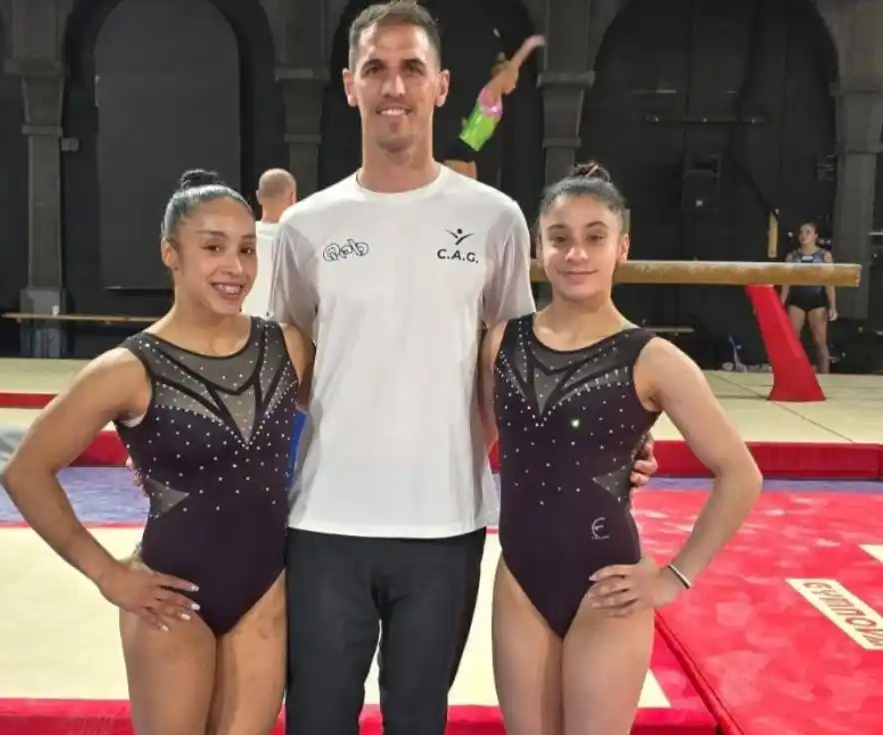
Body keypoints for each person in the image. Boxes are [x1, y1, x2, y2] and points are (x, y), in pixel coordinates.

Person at [267, 4, 659, 735]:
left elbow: (516, 362)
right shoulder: (306, 226)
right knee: (318, 717)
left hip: (445, 520)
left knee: (419, 717)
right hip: (323, 519)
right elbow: (280, 364)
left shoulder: (495, 219)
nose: (394, 86)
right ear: (350, 84)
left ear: (441, 86)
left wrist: (596, 446)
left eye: (411, 68)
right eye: (376, 69)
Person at [0, 168, 313, 735]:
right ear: (170, 253)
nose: (235, 268)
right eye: (212, 247)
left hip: (263, 591)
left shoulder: (285, 345)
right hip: (169, 596)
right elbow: (25, 471)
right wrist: (105, 574)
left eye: (246, 249)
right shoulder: (130, 369)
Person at [480, 162, 762, 735]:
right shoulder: (500, 341)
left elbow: (740, 473)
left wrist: (676, 577)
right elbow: (481, 440)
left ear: (622, 248)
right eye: (560, 238)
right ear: (540, 245)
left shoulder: (652, 358)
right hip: (520, 579)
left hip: (607, 586)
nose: (576, 253)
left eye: (594, 238)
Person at [444, 33, 545, 180]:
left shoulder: (493, 97)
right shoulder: (491, 93)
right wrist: (530, 45)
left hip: (467, 152)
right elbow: (512, 67)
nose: (514, 84)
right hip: (460, 152)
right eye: (513, 79)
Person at [780, 220, 837, 373]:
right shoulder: (792, 256)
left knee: (820, 342)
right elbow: (786, 283)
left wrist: (833, 307)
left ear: (815, 236)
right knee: (791, 341)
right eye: (801, 232)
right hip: (796, 300)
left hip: (817, 300)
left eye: (808, 232)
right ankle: (789, 374)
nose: (804, 235)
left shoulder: (824, 256)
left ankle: (825, 376)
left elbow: (829, 283)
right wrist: (780, 304)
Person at [245, 168, 298, 317]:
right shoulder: (299, 240)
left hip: (247, 329)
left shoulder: (243, 237)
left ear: (258, 196)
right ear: (292, 197)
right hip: (285, 332)